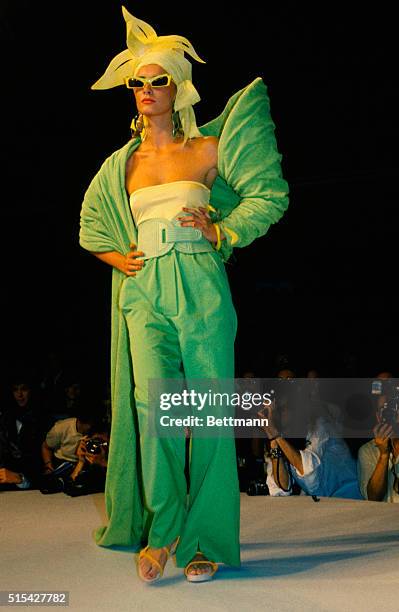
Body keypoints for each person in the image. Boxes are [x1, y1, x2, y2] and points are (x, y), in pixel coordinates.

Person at [79, 7, 288, 583]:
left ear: (179, 87)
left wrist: (224, 230)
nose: (146, 90)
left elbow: (267, 198)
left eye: (158, 79)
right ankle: (163, 530)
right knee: (156, 412)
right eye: (137, 82)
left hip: (200, 282)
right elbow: (90, 225)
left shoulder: (210, 149)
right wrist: (117, 257)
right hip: (143, 290)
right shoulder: (122, 163)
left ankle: (207, 538)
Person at [259, 381, 361, 499]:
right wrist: (274, 441)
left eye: (281, 409)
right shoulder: (277, 437)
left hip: (350, 496)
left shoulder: (319, 426)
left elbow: (311, 479)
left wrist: (277, 436)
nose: (272, 416)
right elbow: (280, 489)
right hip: (324, 503)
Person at [357, 377, 399, 502]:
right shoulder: (367, 450)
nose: (388, 415)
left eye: (392, 409)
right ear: (377, 416)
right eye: (383, 410)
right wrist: (384, 455)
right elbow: (373, 498)